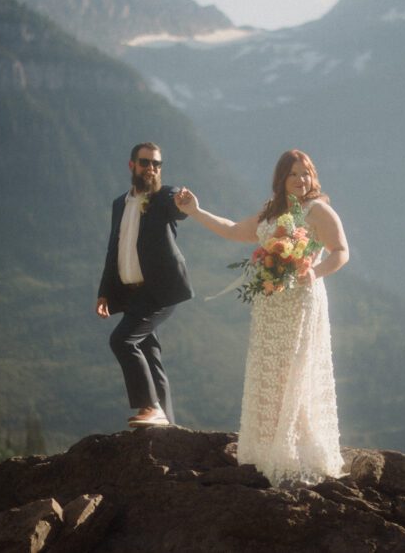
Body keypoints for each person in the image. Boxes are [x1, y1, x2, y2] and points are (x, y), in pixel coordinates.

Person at [174, 149, 348, 486]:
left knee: (297, 369)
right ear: (280, 179)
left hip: (301, 301)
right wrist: (194, 211)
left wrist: (316, 271)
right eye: (294, 174)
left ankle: (296, 453)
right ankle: (269, 450)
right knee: (271, 372)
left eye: (306, 173)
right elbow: (231, 229)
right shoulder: (270, 214)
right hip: (270, 307)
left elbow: (341, 250)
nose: (301, 180)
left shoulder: (318, 210)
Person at [97, 142, 193, 428]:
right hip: (132, 294)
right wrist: (104, 291)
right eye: (145, 162)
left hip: (161, 292)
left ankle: (150, 407)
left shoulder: (165, 196)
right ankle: (167, 428)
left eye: (156, 164)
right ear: (132, 165)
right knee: (150, 357)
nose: (151, 168)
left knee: (122, 340)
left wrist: (183, 202)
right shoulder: (119, 204)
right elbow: (113, 250)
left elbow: (178, 207)